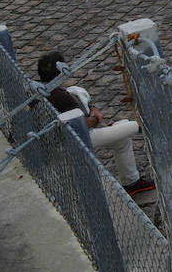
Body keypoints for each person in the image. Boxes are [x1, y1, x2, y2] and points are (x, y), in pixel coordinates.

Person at [37, 51, 155, 196]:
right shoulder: (60, 96)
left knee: (121, 142)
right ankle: (150, 126)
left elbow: (75, 96)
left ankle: (132, 182)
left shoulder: (42, 89)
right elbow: (83, 124)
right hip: (75, 138)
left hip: (60, 138)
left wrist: (92, 107)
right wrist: (97, 118)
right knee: (130, 126)